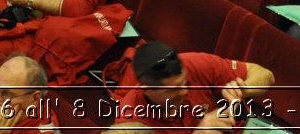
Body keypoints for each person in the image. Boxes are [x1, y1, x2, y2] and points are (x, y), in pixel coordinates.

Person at [113, 39, 275, 133]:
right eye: (174, 89)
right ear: (147, 90)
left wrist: (243, 88)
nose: (184, 91)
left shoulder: (193, 64)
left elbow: (266, 75)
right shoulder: (131, 122)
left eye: (185, 82)